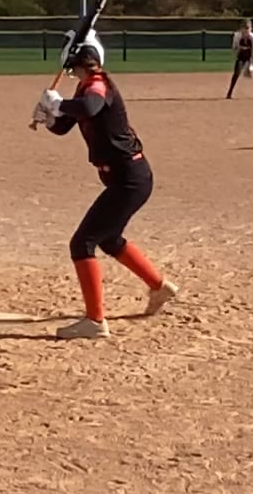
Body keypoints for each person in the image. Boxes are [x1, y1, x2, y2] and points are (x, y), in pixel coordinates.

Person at [33, 32, 180, 340]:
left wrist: (59, 103)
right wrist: (49, 116)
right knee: (109, 239)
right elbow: (64, 126)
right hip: (125, 178)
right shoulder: (85, 86)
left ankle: (95, 321)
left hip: (129, 179)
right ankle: (159, 287)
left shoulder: (97, 84)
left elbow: (89, 107)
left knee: (82, 243)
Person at [226, 18, 253, 100]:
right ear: (241, 28)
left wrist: (250, 64)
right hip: (241, 54)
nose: (246, 30)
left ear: (251, 29)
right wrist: (238, 56)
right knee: (236, 73)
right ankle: (229, 93)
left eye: (248, 28)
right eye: (244, 28)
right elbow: (234, 48)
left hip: (251, 54)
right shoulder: (237, 36)